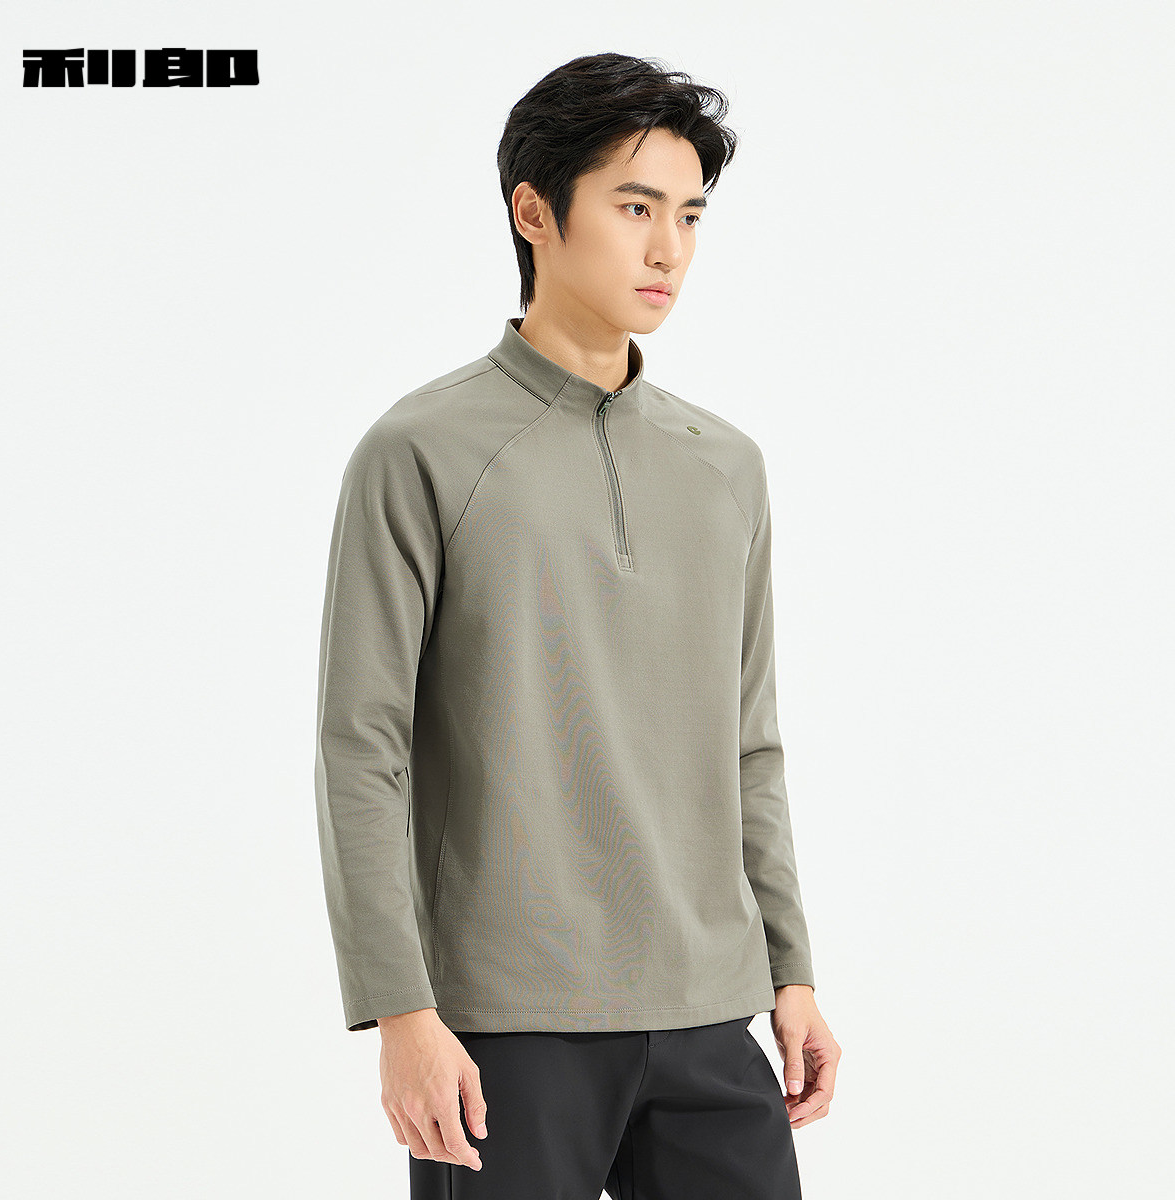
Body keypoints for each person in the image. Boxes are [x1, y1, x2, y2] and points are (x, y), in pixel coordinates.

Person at [314, 51, 841, 1199]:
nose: (669, 250)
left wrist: (790, 973)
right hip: (506, 1026)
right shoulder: (421, 451)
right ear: (534, 213)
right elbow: (363, 750)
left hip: (710, 1012)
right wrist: (401, 1011)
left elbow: (749, 743)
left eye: (690, 216)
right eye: (636, 207)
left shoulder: (727, 466)